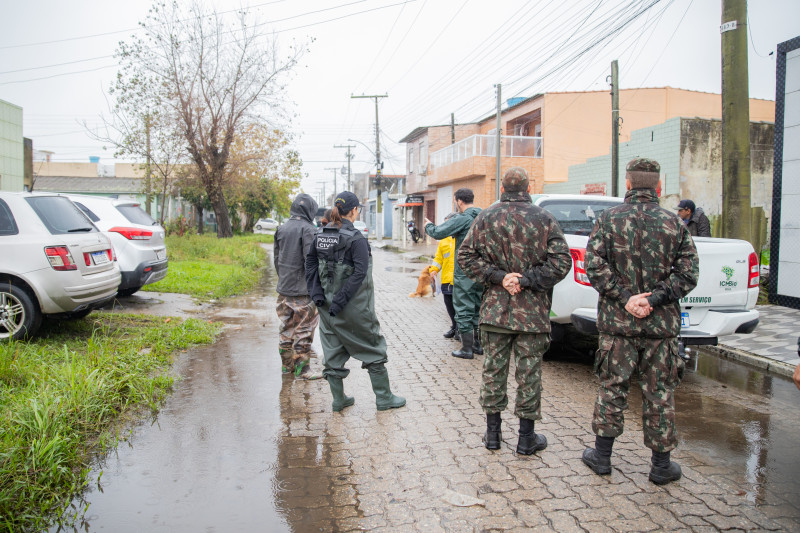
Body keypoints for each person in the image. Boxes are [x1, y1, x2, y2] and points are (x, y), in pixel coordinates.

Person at [582, 158, 698, 485]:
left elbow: (594, 266)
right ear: (658, 187)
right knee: (659, 392)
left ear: (628, 185)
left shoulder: (608, 220)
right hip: (660, 328)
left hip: (618, 324)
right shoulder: (675, 224)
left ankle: (602, 457)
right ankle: (661, 466)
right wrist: (654, 298)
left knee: (612, 386)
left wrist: (625, 297)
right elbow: (688, 275)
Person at [459, 167, 571, 454]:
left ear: (502, 190)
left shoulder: (486, 217)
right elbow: (561, 263)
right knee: (529, 373)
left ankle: (493, 436)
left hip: (495, 312)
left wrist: (500, 277)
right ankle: (525, 438)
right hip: (532, 314)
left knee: (493, 372)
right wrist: (527, 279)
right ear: (528, 186)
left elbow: (466, 257)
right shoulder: (544, 218)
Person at [305, 191, 406, 412]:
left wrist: (317, 295)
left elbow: (310, 264)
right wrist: (340, 301)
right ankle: (384, 398)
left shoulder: (319, 234)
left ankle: (339, 400)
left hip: (326, 308)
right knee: (372, 346)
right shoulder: (356, 239)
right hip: (353, 308)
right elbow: (360, 273)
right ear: (353, 211)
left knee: (331, 351)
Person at [424, 189, 483, 359]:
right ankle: (478, 345)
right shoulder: (484, 216)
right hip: (481, 270)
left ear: (458, 201)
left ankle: (466, 348)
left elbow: (437, 232)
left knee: (463, 308)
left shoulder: (462, 218)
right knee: (478, 307)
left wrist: (428, 225)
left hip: (464, 271)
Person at [273, 193, 322, 379]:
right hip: (303, 290)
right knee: (304, 328)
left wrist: (284, 279)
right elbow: (310, 262)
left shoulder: (281, 229)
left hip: (283, 288)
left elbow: (276, 259)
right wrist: (316, 287)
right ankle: (304, 370)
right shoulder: (309, 230)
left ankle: (287, 368)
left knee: (286, 327)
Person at [428, 213, 459, 341]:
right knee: (449, 305)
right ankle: (454, 326)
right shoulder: (444, 241)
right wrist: (434, 269)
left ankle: (460, 330)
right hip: (446, 279)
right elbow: (439, 258)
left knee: (460, 307)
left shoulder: (462, 238)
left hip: (459, 280)